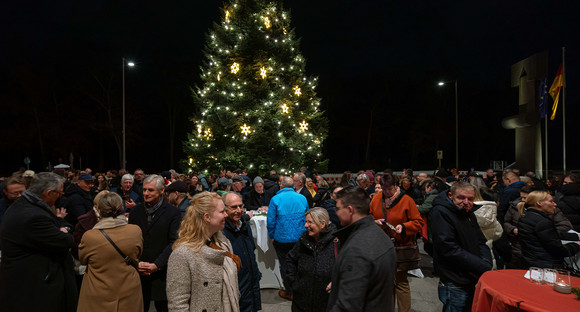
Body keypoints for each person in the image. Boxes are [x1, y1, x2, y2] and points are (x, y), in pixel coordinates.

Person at [0, 172, 77, 312]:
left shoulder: (25, 206)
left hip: (29, 281)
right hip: (34, 285)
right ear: (48, 193)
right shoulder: (33, 216)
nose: (61, 195)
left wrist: (60, 228)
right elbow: (65, 241)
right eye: (59, 193)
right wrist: (64, 229)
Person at [167, 191, 241, 312]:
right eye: (222, 211)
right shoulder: (182, 254)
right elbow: (177, 305)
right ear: (207, 217)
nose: (226, 215)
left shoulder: (223, 243)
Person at [327, 186, 396, 311]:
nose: (336, 213)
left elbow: (347, 306)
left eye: (337, 208)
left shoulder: (356, 249)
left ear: (350, 210)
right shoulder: (379, 234)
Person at [430, 181, 492, 311]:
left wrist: (486, 262)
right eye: (461, 197)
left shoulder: (467, 212)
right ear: (450, 195)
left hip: (470, 275)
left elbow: (480, 240)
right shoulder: (441, 212)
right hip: (454, 279)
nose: (466, 202)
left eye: (470, 199)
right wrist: (480, 265)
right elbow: (448, 248)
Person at [77, 192, 143, 311]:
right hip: (129, 290)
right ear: (121, 208)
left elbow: (82, 260)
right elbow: (138, 254)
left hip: (98, 292)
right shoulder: (135, 231)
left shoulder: (89, 236)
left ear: (100, 211)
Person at [369, 172, 423, 312]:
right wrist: (374, 222)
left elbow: (418, 222)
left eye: (389, 189)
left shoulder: (407, 200)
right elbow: (368, 216)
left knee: (400, 282)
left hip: (400, 246)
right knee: (386, 282)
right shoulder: (376, 199)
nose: (386, 192)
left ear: (395, 186)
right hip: (381, 247)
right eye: (384, 188)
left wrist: (404, 227)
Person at [129, 174, 181, 312]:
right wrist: (137, 262)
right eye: (144, 189)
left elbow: (174, 242)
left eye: (150, 190)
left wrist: (157, 265)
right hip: (139, 271)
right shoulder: (135, 211)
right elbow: (130, 240)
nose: (146, 193)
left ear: (162, 190)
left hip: (162, 272)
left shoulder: (173, 212)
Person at [286, 208, 337, 312]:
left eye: (310, 222)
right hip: (301, 302)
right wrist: (294, 283)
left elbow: (345, 268)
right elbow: (290, 259)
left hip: (325, 303)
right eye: (306, 222)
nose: (305, 225)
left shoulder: (336, 242)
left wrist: (336, 282)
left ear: (322, 224)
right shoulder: (303, 240)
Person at [268, 176, 309, 300]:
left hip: (282, 238)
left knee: (286, 264)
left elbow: (271, 221)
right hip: (299, 237)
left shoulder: (275, 199)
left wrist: (272, 236)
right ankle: (301, 289)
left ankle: (290, 291)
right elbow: (307, 216)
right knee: (300, 263)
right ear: (293, 186)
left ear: (281, 185)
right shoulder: (302, 198)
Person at [517, 190, 580, 269]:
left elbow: (549, 236)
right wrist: (576, 246)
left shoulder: (525, 218)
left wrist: (575, 237)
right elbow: (557, 250)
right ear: (539, 203)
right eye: (551, 201)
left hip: (531, 264)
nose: (555, 204)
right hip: (547, 267)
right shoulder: (542, 222)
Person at [222, 192, 262, 312]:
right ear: (224, 208)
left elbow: (251, 250)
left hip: (251, 281)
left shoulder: (244, 225)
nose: (238, 210)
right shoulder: (221, 232)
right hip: (237, 285)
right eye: (233, 207)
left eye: (240, 206)